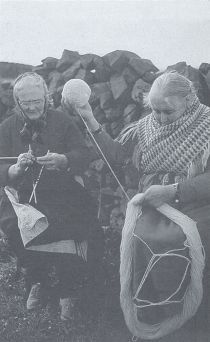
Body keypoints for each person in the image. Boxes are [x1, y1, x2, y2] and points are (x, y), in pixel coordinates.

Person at [63, 71, 210, 340]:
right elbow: (118, 156)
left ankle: (192, 322)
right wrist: (89, 117)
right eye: (155, 110)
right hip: (154, 204)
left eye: (168, 111)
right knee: (139, 238)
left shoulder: (207, 126)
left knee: (182, 240)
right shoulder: (146, 126)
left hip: (199, 205)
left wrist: (175, 190)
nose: (161, 118)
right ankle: (153, 316)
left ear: (189, 101)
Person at [0, 72, 103, 320]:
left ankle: (67, 290)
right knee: (15, 225)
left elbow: (85, 153)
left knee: (73, 224)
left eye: (38, 100)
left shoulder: (63, 121)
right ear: (17, 102)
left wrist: (64, 160)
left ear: (47, 97)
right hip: (22, 196)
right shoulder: (7, 127)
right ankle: (38, 280)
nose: (33, 107)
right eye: (26, 103)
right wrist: (15, 169)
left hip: (63, 193)